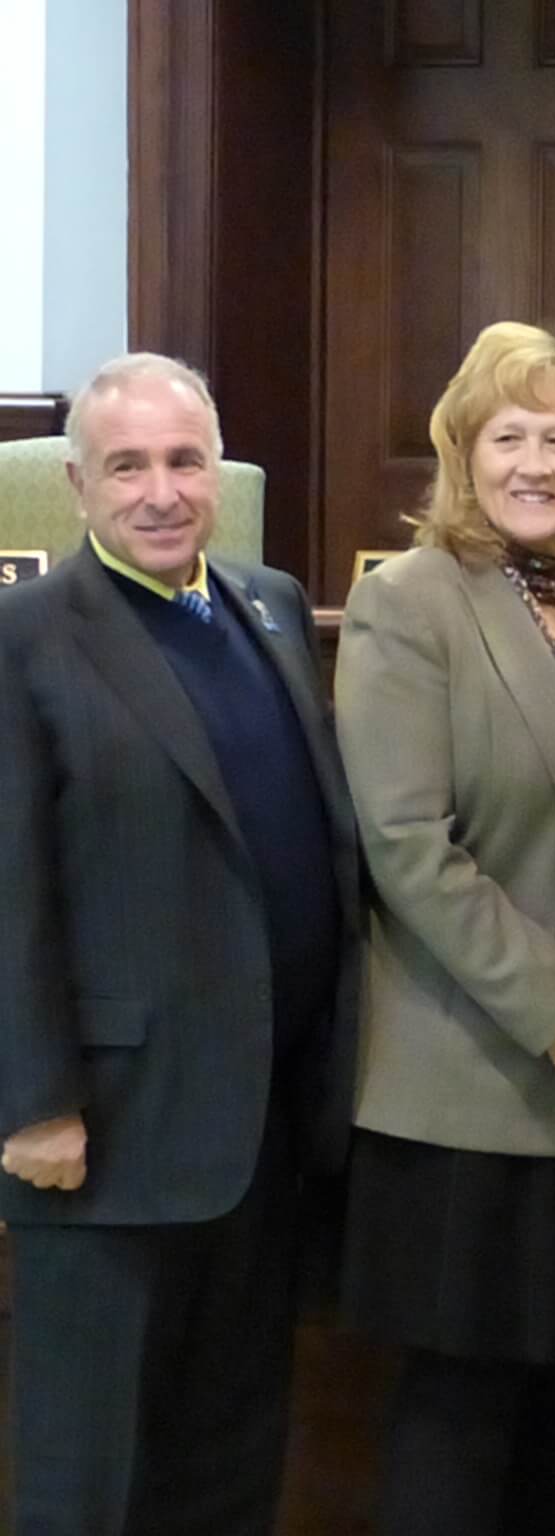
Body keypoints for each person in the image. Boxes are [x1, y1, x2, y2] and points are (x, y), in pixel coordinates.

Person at [0, 353, 359, 1536]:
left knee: (229, 1463)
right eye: (129, 466)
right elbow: (10, 891)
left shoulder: (265, 602)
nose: (161, 491)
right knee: (93, 1482)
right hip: (105, 1135)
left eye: (185, 461)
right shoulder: (25, 637)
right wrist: (31, 1103)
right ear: (77, 483)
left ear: (221, 471)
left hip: (258, 1134)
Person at [332, 321, 555, 1536]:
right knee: (463, 1405)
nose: (533, 463)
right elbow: (409, 849)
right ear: (464, 450)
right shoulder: (408, 603)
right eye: (508, 436)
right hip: (474, 1081)